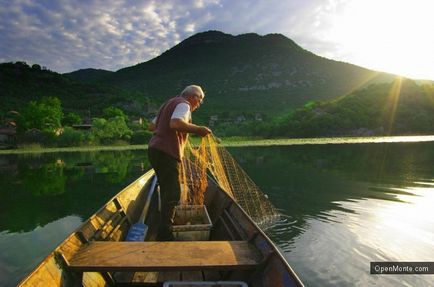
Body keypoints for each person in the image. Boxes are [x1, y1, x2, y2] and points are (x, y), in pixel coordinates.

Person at [147, 85, 211, 240]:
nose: (199, 104)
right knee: (173, 193)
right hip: (166, 152)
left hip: (154, 150)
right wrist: (198, 129)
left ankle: (165, 222)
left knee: (167, 189)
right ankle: (165, 234)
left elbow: (151, 126)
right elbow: (175, 123)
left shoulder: (168, 104)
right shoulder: (184, 104)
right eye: (200, 100)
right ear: (193, 97)